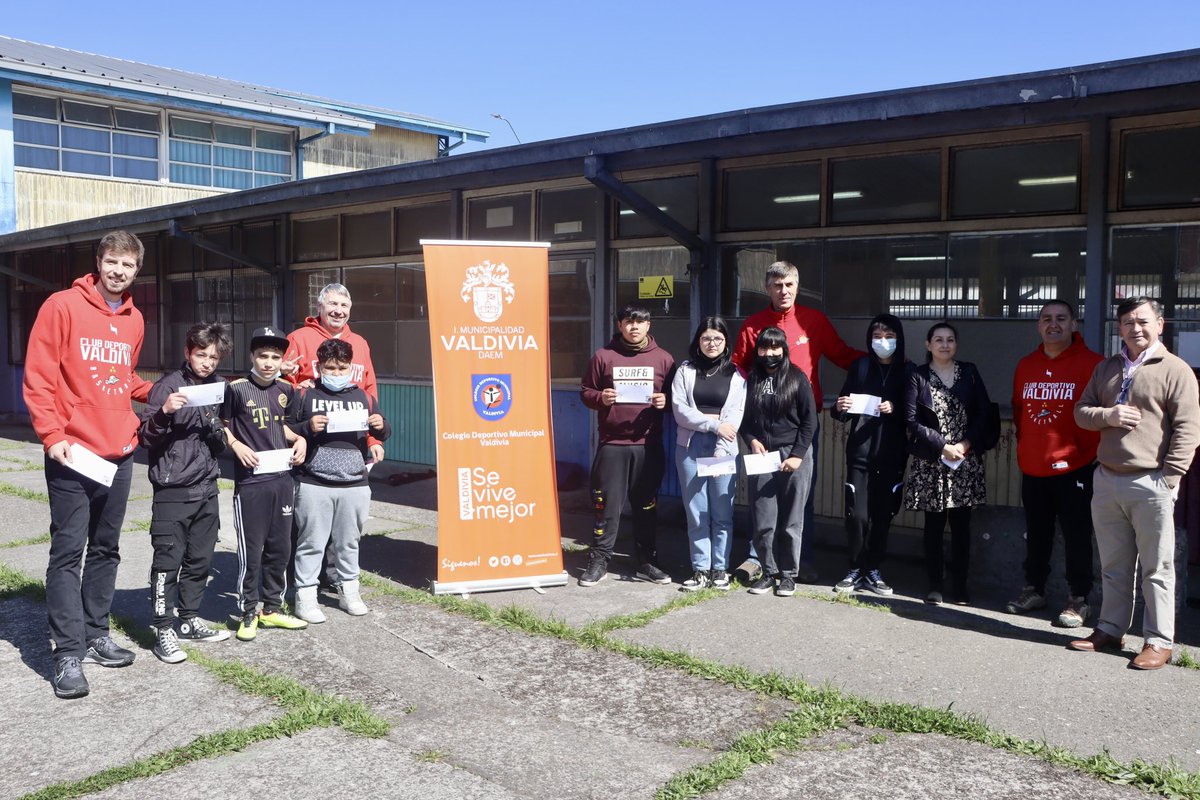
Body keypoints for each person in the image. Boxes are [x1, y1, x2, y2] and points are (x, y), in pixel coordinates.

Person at [22, 231, 153, 698]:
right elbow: (39, 377)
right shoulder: (61, 306)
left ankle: (97, 635)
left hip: (119, 453)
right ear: (98, 262)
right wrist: (52, 435)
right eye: (112, 261)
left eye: (129, 265)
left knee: (106, 549)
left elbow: (122, 378)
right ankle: (67, 653)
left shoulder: (135, 318)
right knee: (67, 553)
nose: (119, 271)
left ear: (138, 269)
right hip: (73, 453)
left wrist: (156, 393)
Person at [1070, 297, 1200, 670]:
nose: (1135, 328)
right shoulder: (1107, 368)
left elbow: (1189, 429)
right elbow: (1082, 412)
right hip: (1108, 478)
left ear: (1160, 324)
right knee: (1113, 564)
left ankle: (1159, 641)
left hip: (1151, 481)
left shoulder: (1175, 370)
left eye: (1143, 321)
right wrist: (1108, 415)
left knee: (1156, 568)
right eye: (1127, 322)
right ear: (1120, 328)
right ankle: (1110, 629)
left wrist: (1170, 477)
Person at [732, 261, 862, 583]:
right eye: (777, 285)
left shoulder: (813, 321)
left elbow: (842, 355)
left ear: (797, 287)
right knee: (761, 498)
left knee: (799, 497)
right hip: (760, 428)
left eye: (789, 284)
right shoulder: (753, 325)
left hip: (801, 427)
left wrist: (885, 362)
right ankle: (757, 559)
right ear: (768, 288)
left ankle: (801, 561)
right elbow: (736, 373)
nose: (784, 290)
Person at [139, 322, 235, 664]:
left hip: (207, 486)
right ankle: (163, 629)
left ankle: (189, 619)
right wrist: (165, 412)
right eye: (201, 355)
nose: (207, 362)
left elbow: (223, 438)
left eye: (214, 357)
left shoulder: (219, 387)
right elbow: (146, 439)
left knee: (200, 560)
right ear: (187, 352)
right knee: (168, 562)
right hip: (173, 490)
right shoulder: (167, 386)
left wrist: (216, 432)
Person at [1006, 301, 1104, 628]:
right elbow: (1019, 410)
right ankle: (1034, 590)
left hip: (1076, 467)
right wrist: (1027, 447)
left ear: (1074, 324)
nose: (1053, 324)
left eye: (1061, 319)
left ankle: (1079, 598)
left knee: (1077, 535)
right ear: (1038, 325)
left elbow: (1103, 416)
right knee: (1037, 534)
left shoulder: (1093, 364)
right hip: (1034, 467)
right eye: (1046, 319)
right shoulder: (1026, 365)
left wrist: (1082, 454)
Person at [281, 283, 384, 593]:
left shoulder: (360, 344)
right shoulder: (298, 338)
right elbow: (279, 386)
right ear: (320, 307)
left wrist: (373, 439)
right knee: (307, 521)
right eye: (332, 304)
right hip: (307, 443)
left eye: (344, 305)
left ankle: (335, 578)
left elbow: (369, 393)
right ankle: (298, 583)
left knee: (343, 524)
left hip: (348, 445)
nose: (338, 310)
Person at [291, 339, 391, 622]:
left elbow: (383, 429)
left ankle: (350, 591)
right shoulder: (305, 395)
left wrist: (381, 426)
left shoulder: (363, 397)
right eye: (330, 368)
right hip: (314, 482)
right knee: (311, 542)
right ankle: (306, 597)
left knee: (349, 542)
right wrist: (307, 427)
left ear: (351, 367)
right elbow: (286, 428)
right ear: (319, 366)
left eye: (342, 368)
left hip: (355, 483)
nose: (336, 373)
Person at [579, 303, 676, 587]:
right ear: (619, 325)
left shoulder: (664, 359)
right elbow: (586, 392)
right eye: (628, 322)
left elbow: (677, 397)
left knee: (645, 505)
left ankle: (646, 561)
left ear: (649, 325)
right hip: (613, 444)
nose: (634, 327)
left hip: (648, 445)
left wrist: (666, 402)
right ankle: (599, 559)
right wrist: (601, 398)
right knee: (606, 506)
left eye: (640, 322)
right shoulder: (603, 356)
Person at [222, 327, 309, 642]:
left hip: (282, 479)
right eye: (263, 356)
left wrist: (299, 439)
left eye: (275, 356)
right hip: (251, 483)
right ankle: (248, 611)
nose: (269, 362)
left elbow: (282, 425)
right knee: (252, 551)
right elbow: (221, 425)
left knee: (280, 548)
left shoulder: (286, 388)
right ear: (252, 357)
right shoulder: (236, 389)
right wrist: (235, 445)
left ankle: (272, 609)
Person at [904, 322, 991, 606]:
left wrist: (964, 445)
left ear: (956, 344)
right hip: (932, 459)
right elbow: (911, 420)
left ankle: (961, 587)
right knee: (933, 526)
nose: (944, 344)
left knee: (962, 528)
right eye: (938, 340)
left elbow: (983, 414)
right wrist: (943, 446)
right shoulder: (917, 375)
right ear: (928, 345)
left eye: (950, 340)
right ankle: (935, 584)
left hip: (963, 461)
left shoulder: (970, 372)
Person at [830, 314, 910, 596]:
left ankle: (873, 569)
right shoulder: (861, 366)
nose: (883, 341)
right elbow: (840, 410)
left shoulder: (908, 370)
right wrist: (840, 406)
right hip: (860, 453)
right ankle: (855, 568)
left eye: (888, 335)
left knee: (883, 515)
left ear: (898, 338)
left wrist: (895, 408)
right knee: (857, 515)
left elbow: (916, 415)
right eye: (877, 336)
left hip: (892, 454)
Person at [740, 326, 818, 597]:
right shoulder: (752, 380)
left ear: (783, 350)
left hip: (794, 455)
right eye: (764, 347)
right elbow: (744, 421)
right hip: (762, 456)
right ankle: (768, 572)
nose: (769, 353)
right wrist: (751, 440)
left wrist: (797, 455)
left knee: (791, 519)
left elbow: (810, 422)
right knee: (763, 518)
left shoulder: (798, 378)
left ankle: (788, 575)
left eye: (775, 348)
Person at [671, 317, 746, 591]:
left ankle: (720, 570)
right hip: (690, 447)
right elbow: (680, 411)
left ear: (726, 343)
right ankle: (700, 568)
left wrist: (721, 445)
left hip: (723, 448)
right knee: (696, 511)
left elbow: (735, 414)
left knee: (722, 511)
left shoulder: (736, 375)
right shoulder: (685, 371)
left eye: (717, 338)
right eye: (706, 338)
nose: (711, 343)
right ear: (698, 341)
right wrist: (713, 425)